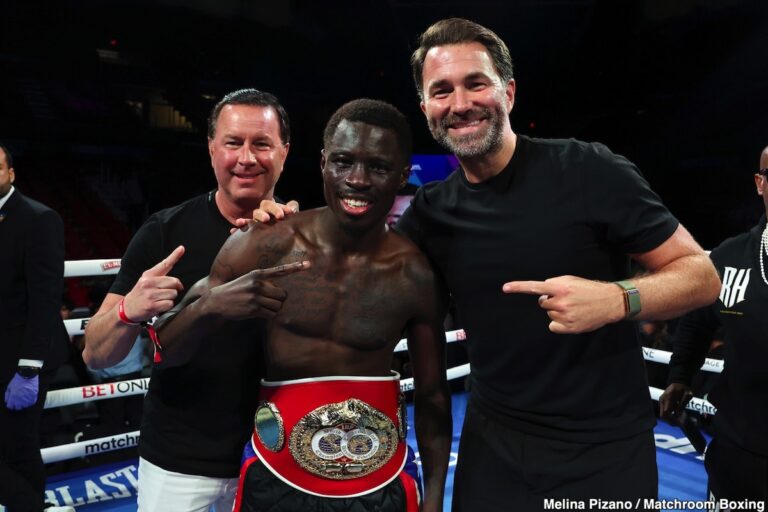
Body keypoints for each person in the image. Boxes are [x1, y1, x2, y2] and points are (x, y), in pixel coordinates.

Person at [155, 99, 452, 512]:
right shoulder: (265, 243)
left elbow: (433, 398)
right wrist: (211, 306)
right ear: (324, 163)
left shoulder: (415, 275)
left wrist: (434, 501)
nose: (358, 179)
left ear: (402, 175)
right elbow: (163, 350)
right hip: (276, 476)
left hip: (379, 482)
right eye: (343, 162)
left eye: (378, 167)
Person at [82, 89, 299, 512]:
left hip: (277, 459)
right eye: (233, 142)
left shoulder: (307, 238)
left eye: (261, 143)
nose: (246, 158)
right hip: (178, 463)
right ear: (212, 148)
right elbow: (96, 353)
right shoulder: (165, 232)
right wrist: (127, 312)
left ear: (284, 152)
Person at [660, 146, 768, 502]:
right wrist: (680, 375)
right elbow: (697, 320)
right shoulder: (730, 257)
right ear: (760, 183)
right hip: (739, 446)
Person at [0, 144, 72, 512]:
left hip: (25, 354)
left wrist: (28, 368)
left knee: (18, 445)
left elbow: (45, 297)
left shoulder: (37, 218)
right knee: (18, 449)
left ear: (10, 173)